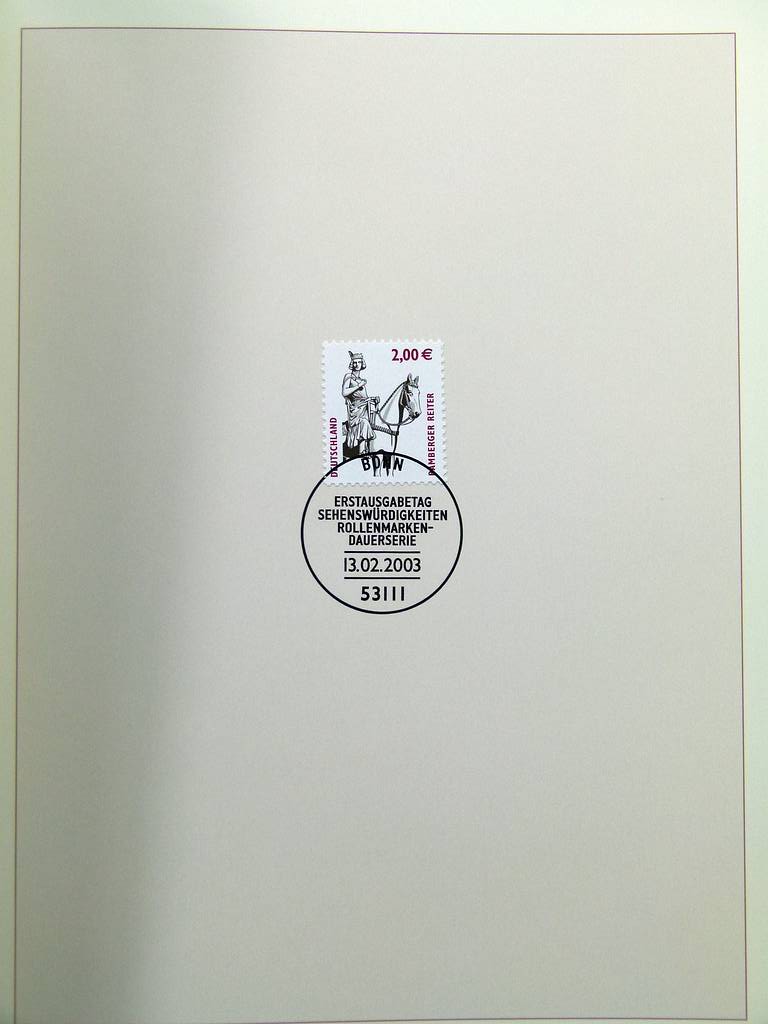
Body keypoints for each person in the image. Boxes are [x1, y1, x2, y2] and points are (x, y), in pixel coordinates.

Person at [342, 351, 379, 454]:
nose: (357, 364)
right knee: (364, 423)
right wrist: (359, 385)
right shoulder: (348, 376)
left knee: (368, 422)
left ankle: (368, 450)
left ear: (362, 363)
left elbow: (363, 398)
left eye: (359, 362)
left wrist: (372, 398)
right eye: (355, 362)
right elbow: (344, 392)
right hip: (355, 411)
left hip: (364, 409)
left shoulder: (361, 379)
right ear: (352, 364)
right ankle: (363, 452)